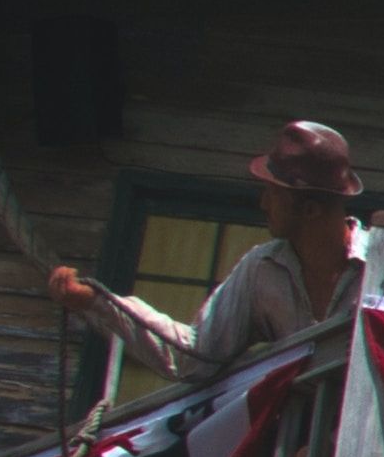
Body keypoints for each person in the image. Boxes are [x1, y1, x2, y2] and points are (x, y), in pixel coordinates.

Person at [50, 123, 367, 388]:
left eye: (273, 194)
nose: (263, 204)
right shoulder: (263, 270)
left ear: (310, 210)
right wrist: (98, 302)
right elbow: (193, 358)